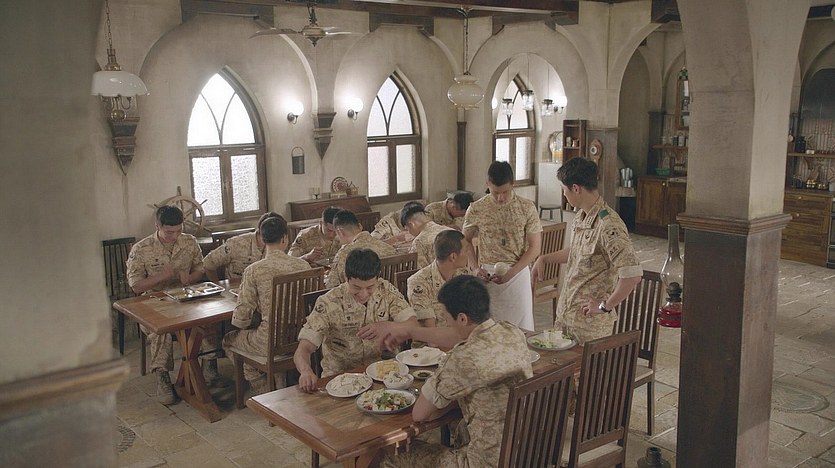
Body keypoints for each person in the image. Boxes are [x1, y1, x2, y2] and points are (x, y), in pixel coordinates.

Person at [368, 275, 532, 468]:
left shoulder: (463, 359)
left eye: (446, 319)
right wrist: (410, 332)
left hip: (484, 463)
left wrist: (448, 400)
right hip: (525, 451)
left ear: (462, 318)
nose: (447, 324)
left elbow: (420, 414)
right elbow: (462, 336)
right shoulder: (511, 332)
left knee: (388, 454)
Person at [532, 157, 642, 344]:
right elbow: (578, 252)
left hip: (589, 327)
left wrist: (605, 306)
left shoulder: (609, 225)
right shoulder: (581, 216)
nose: (564, 194)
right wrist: (544, 258)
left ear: (576, 188)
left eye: (564, 189)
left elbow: (632, 275)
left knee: (585, 365)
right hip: (566, 317)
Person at [126, 205, 217, 405]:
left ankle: (209, 362)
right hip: (153, 302)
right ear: (157, 226)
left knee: (207, 317)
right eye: (169, 232)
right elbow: (135, 286)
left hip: (184, 297)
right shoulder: (141, 249)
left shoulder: (189, 241)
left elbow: (200, 268)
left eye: (178, 231)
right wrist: (161, 277)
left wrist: (191, 278)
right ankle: (163, 377)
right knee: (161, 331)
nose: (174, 236)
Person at [294, 249, 417, 391]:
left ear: (378, 278)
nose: (363, 294)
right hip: (340, 381)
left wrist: (389, 326)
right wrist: (305, 371)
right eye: (356, 287)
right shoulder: (329, 302)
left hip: (383, 375)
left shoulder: (386, 291)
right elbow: (304, 348)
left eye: (370, 287)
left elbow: (413, 324)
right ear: (346, 278)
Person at [221, 216, 311, 393]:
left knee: (229, 340)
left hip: (268, 341)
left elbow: (241, 319)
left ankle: (262, 388)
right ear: (285, 238)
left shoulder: (254, 270)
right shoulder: (303, 265)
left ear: (262, 239)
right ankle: (278, 381)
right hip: (300, 337)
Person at [463, 161, 542, 330]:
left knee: (521, 331)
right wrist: (475, 268)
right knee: (490, 331)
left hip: (517, 274)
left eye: (505, 192)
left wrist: (511, 273)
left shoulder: (526, 207)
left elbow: (535, 247)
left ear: (513, 184)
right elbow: (465, 241)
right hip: (488, 276)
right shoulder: (477, 208)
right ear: (487, 184)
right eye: (495, 192)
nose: (500, 198)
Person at [407, 230, 469, 327]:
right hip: (438, 335)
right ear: (453, 257)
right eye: (466, 250)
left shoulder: (464, 274)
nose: (468, 254)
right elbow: (429, 330)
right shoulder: (419, 282)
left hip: (463, 334)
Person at [203, 211, 281, 282]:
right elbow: (208, 262)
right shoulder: (237, 244)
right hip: (237, 288)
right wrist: (219, 286)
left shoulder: (280, 244)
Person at [324, 210, 396, 288]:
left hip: (358, 294)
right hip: (387, 293)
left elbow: (331, 286)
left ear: (340, 232)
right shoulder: (387, 247)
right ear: (360, 226)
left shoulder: (344, 254)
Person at [400, 203, 454, 269]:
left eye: (407, 229)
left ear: (411, 224)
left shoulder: (419, 242)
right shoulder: (451, 231)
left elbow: (418, 271)